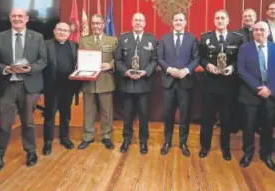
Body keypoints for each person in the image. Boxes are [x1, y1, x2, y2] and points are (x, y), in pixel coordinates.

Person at [0, 7, 47, 171]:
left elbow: (43, 60)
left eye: (20, 16)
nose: (17, 18)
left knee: (28, 122)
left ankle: (31, 151)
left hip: (29, 87)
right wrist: (5, 69)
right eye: (14, 16)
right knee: (4, 123)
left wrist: (30, 69)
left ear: (27, 18)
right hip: (7, 86)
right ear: (10, 18)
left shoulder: (37, 37)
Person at [237, 21, 275, 172]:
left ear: (268, 32)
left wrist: (270, 89)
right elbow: (241, 70)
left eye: (262, 30)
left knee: (268, 126)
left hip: (270, 95)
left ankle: (266, 155)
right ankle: (248, 152)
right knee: (249, 126)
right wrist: (257, 88)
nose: (258, 32)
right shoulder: (245, 48)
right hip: (250, 94)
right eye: (256, 29)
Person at [198, 10, 243, 161]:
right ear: (213, 20)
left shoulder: (237, 39)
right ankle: (205, 146)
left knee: (226, 118)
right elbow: (201, 58)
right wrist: (207, 66)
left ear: (228, 20)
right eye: (217, 18)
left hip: (228, 84)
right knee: (207, 118)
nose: (220, 20)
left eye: (223, 18)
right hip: (210, 83)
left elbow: (241, 59)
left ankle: (225, 148)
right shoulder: (206, 37)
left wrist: (233, 68)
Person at [157, 12, 199, 157]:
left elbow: (196, 58)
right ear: (172, 22)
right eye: (176, 20)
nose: (178, 22)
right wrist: (169, 69)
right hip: (169, 82)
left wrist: (186, 70)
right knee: (168, 113)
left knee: (184, 114)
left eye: (181, 20)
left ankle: (183, 142)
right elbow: (159, 58)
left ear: (185, 22)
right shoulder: (164, 38)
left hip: (185, 82)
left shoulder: (192, 38)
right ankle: (167, 141)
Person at [115, 13, 157, 154]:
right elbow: (118, 60)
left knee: (144, 115)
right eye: (136, 20)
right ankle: (126, 139)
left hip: (144, 83)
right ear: (132, 22)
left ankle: (143, 140)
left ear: (145, 23)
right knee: (127, 115)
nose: (138, 23)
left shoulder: (151, 39)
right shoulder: (123, 38)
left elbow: (154, 60)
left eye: (141, 20)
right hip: (127, 84)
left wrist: (146, 72)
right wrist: (125, 72)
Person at [77, 14, 118, 150]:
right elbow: (80, 58)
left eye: (98, 23)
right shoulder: (84, 40)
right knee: (88, 111)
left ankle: (106, 136)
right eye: (93, 23)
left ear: (104, 24)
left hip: (105, 80)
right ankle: (88, 136)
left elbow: (118, 59)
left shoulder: (112, 40)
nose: (95, 26)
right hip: (89, 81)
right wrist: (79, 65)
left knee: (107, 111)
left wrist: (110, 65)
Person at [42, 22, 80, 155]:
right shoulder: (45, 45)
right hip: (52, 87)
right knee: (49, 115)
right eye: (59, 29)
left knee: (65, 114)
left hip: (68, 87)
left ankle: (65, 138)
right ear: (54, 31)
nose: (62, 32)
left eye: (65, 30)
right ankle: (48, 142)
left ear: (69, 33)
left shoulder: (74, 46)